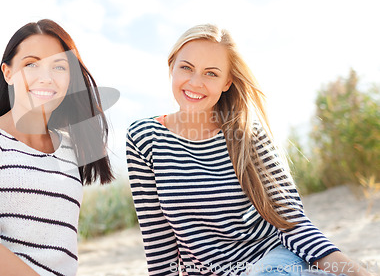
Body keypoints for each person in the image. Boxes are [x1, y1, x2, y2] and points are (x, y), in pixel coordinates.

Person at [126, 24, 372, 276]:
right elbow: (158, 241)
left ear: (227, 82)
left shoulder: (248, 133)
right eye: (186, 68)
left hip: (273, 262)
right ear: (172, 66)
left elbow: (292, 224)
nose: (195, 82)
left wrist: (357, 273)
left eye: (211, 73)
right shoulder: (144, 137)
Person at [0, 19, 114, 276]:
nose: (46, 77)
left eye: (59, 66)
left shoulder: (70, 150)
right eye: (31, 64)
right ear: (8, 73)